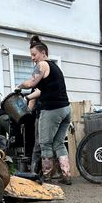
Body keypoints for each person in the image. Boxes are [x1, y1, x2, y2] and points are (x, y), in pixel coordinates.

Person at [17, 35, 72, 184]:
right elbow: (41, 91)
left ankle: (47, 176)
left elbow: (31, 83)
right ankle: (66, 175)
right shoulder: (54, 67)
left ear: (43, 53)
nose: (32, 58)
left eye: (34, 55)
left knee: (45, 144)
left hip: (52, 110)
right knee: (59, 143)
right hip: (66, 109)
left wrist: (19, 86)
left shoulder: (42, 65)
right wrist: (28, 97)